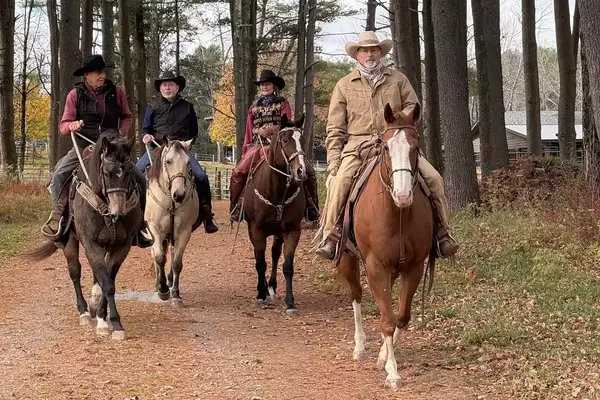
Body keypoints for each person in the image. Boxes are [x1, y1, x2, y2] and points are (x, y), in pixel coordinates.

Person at [314, 31, 459, 260]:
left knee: (434, 179)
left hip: (397, 141)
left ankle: (443, 233)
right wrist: (334, 159)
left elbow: (413, 106)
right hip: (358, 145)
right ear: (357, 55)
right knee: (340, 182)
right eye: (365, 50)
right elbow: (335, 128)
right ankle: (331, 236)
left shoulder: (398, 79)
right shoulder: (343, 85)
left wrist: (398, 122)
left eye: (374, 50)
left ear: (380, 53)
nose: (370, 54)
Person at [41, 54, 153, 247]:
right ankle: (59, 217)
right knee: (59, 175)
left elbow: (127, 116)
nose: (102, 75)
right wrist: (72, 125)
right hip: (85, 144)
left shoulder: (116, 92)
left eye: (102, 72)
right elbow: (63, 125)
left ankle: (140, 224)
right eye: (97, 72)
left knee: (140, 178)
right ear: (87, 75)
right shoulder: (74, 95)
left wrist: (121, 132)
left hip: (112, 145)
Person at [229, 69, 320, 223]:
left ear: (274, 86)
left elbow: (288, 125)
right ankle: (237, 207)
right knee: (238, 172)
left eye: (268, 84)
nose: (265, 87)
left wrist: (271, 130)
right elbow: (249, 129)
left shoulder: (283, 103)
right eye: (262, 84)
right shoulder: (253, 106)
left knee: (308, 171)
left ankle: (312, 207)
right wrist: (246, 150)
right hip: (258, 145)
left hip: (281, 144)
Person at [137, 71, 218, 234]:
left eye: (171, 84)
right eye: (164, 85)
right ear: (160, 88)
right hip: (157, 148)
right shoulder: (153, 106)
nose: (167, 88)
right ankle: (137, 216)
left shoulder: (188, 107)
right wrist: (146, 136)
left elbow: (194, 131)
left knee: (201, 176)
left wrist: (185, 144)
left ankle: (207, 214)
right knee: (136, 172)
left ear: (177, 87)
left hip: (181, 150)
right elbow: (145, 129)